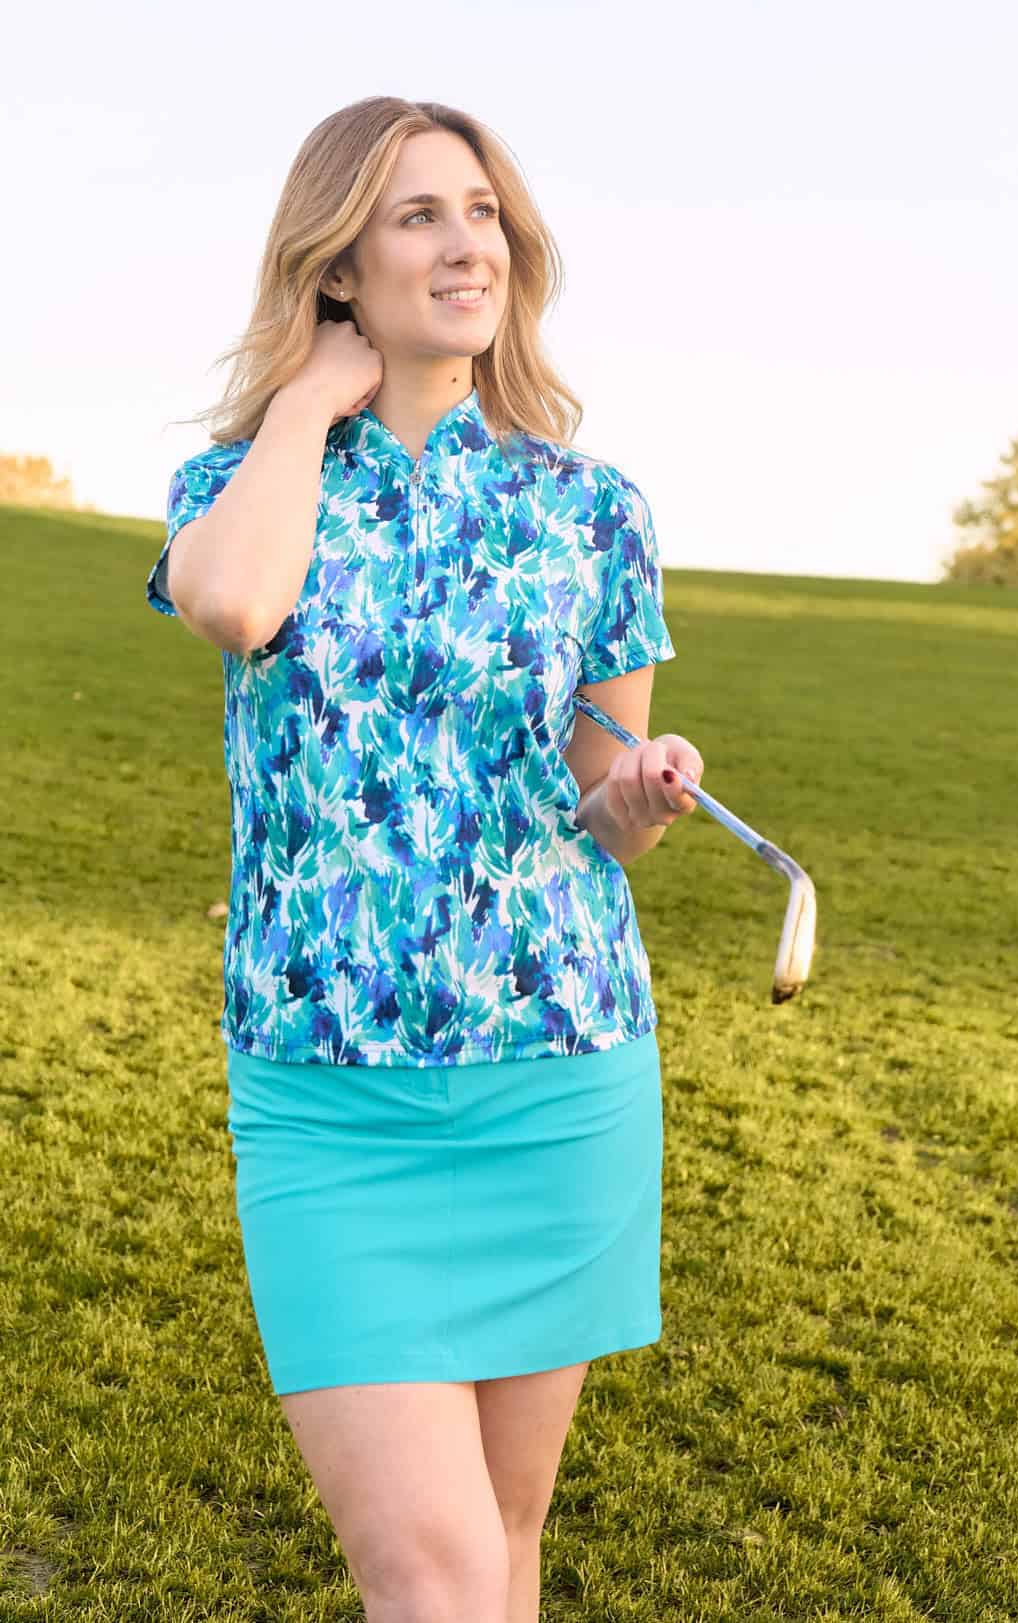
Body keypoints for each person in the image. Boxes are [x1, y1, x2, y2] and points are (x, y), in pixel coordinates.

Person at [145, 94, 705, 1623]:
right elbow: (235, 608)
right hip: (329, 1096)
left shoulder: (590, 510)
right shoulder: (234, 486)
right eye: (418, 216)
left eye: (481, 213)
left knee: (502, 1550)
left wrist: (638, 796)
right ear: (337, 265)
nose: (469, 246)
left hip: (558, 1069)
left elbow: (593, 795)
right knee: (434, 1568)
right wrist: (304, 408)